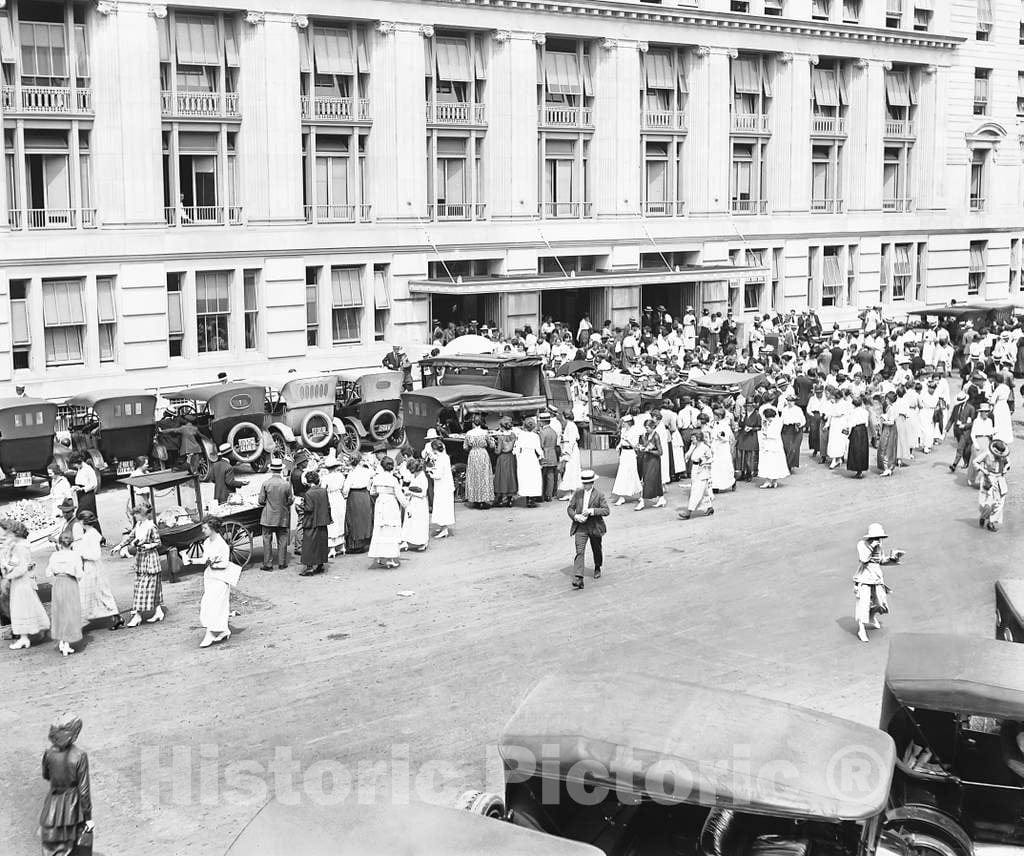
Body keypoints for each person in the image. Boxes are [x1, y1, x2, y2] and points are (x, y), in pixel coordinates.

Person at [39, 713, 93, 856]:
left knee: (50, 847)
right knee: (71, 848)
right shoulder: (80, 756)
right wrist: (88, 818)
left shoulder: (48, 753)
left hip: (51, 807)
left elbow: (46, 775)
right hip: (72, 809)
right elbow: (84, 791)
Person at [852, 522, 903, 643]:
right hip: (864, 578)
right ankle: (861, 629)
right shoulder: (862, 544)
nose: (878, 540)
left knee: (880, 602)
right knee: (863, 604)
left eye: (879, 537)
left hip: (877, 578)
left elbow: (880, 561)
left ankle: (871, 615)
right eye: (876, 537)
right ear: (870, 537)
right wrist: (871, 547)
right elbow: (863, 559)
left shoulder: (879, 546)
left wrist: (893, 558)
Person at [5, 520, 49, 649]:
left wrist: (9, 575)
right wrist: (7, 567)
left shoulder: (20, 547)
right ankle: (38, 630)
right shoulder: (18, 545)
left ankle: (24, 638)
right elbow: (14, 562)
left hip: (21, 581)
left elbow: (21, 568)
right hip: (21, 581)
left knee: (21, 607)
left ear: (14, 532)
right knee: (28, 605)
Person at [73, 511, 121, 630]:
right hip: (90, 566)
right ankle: (112, 615)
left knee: (96, 591)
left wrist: (81, 554)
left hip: (92, 566)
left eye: (80, 521)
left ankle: (82, 620)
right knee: (97, 592)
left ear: (84, 522)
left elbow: (95, 554)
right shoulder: (89, 533)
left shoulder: (92, 534)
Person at [197, 515, 239, 647]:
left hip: (220, 579)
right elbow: (204, 559)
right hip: (209, 577)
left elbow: (225, 564)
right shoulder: (206, 542)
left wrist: (213, 563)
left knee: (214, 605)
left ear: (212, 528)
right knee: (208, 603)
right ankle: (224, 631)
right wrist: (192, 560)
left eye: (205, 528)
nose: (203, 531)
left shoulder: (222, 545)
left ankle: (210, 634)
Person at [567, 469, 608, 590]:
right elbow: (570, 508)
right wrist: (575, 516)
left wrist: (592, 511)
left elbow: (606, 510)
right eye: (584, 483)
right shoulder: (578, 493)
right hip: (581, 526)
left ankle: (597, 566)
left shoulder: (599, 495)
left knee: (596, 548)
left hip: (594, 525)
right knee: (580, 551)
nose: (585, 485)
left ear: (592, 483)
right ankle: (579, 578)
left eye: (588, 483)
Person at [125, 504, 163, 627]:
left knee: (145, 586)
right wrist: (120, 546)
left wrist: (148, 545)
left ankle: (137, 615)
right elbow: (130, 537)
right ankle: (158, 611)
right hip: (141, 559)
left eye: (136, 514)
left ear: (142, 514)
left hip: (151, 559)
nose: (134, 516)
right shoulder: (138, 525)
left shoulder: (151, 526)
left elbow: (158, 542)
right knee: (142, 586)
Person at [45, 532, 82, 656]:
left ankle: (61, 640)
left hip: (58, 584)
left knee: (60, 612)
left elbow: (48, 572)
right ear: (71, 543)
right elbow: (80, 574)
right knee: (70, 612)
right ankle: (66, 643)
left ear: (60, 543)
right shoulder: (75, 555)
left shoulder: (54, 556)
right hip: (70, 583)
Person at [369, 457, 406, 568]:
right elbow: (399, 495)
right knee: (390, 530)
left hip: (380, 503)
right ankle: (390, 558)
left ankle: (379, 555)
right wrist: (407, 506)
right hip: (391, 504)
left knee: (380, 529)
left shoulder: (377, 478)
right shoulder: (393, 479)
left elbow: (372, 492)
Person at [257, 458, 293, 571]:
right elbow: (290, 500)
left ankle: (268, 564)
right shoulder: (286, 484)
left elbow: (261, 501)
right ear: (281, 470)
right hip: (282, 516)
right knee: (282, 539)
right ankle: (282, 563)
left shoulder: (266, 483)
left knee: (267, 540)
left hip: (268, 516)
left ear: (272, 470)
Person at [678, 429, 715, 520]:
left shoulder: (705, 447)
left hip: (702, 470)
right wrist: (691, 449)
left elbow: (711, 459)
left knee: (696, 491)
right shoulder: (693, 446)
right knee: (704, 491)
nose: (692, 440)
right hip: (694, 469)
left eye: (693, 438)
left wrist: (704, 462)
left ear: (698, 438)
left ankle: (689, 511)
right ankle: (709, 507)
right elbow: (686, 457)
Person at [299, 470, 331, 576]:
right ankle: (320, 563)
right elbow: (327, 505)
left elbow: (309, 508)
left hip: (311, 521)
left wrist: (301, 505)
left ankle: (309, 567)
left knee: (309, 544)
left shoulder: (308, 493)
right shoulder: (323, 491)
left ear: (308, 481)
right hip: (322, 520)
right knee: (321, 542)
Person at [343, 455, 375, 553]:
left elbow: (345, 489)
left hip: (354, 496)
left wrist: (344, 495)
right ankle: (366, 540)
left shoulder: (351, 474)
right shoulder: (366, 471)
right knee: (365, 518)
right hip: (365, 494)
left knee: (354, 520)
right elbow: (373, 474)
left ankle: (356, 544)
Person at [976, 439, 1010, 532]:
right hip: (989, 479)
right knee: (987, 502)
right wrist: (983, 470)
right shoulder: (987, 453)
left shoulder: (1004, 455)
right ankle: (984, 516)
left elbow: (1008, 463)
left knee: (999, 503)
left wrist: (1006, 468)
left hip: (1000, 479)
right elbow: (975, 462)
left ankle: (991, 522)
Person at [463, 416, 495, 509]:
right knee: (484, 476)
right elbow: (492, 445)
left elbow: (465, 447)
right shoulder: (485, 433)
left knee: (474, 475)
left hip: (473, 454)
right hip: (483, 453)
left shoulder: (469, 433)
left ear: (473, 423)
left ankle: (475, 499)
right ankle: (483, 499)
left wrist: (472, 448)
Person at [611, 415, 642, 505]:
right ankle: (621, 497)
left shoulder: (634, 430)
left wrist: (627, 440)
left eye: (624, 422)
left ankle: (640, 494)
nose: (622, 424)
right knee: (622, 474)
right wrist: (619, 445)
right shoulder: (623, 430)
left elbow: (635, 445)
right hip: (624, 453)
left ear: (628, 423)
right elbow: (621, 440)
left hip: (631, 453)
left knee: (632, 473)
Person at [635, 418, 666, 510]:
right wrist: (640, 447)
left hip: (654, 461)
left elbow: (660, 452)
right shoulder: (646, 435)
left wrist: (649, 450)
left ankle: (642, 501)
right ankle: (661, 498)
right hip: (647, 460)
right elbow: (644, 446)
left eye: (648, 427)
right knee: (653, 480)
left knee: (648, 480)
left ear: (653, 427)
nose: (646, 429)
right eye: (645, 427)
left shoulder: (656, 436)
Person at [427, 440, 455, 539]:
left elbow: (438, 475)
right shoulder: (445, 457)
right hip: (446, 485)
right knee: (445, 506)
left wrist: (430, 473)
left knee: (442, 506)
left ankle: (444, 528)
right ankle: (443, 526)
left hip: (442, 486)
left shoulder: (439, 459)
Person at [400, 459, 430, 551]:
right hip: (413, 502)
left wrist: (409, 492)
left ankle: (423, 542)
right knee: (410, 521)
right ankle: (406, 541)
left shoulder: (423, 478)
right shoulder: (415, 476)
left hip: (420, 503)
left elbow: (423, 494)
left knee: (419, 523)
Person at [320, 453, 347, 558]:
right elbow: (344, 489)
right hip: (339, 498)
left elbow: (323, 489)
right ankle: (342, 545)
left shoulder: (325, 478)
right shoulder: (341, 476)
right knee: (340, 520)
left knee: (332, 522)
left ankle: (332, 548)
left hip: (330, 498)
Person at [512, 418, 543, 508]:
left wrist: (517, 456)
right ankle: (531, 499)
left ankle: (527, 498)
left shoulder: (521, 435)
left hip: (523, 457)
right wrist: (541, 456)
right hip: (532, 457)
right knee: (533, 477)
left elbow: (517, 448)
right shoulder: (535, 436)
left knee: (525, 477)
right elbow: (538, 448)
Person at [71, 455, 102, 541]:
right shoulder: (80, 469)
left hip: (87, 494)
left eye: (75, 465)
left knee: (86, 514)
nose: (75, 467)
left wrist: (83, 489)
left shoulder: (88, 469)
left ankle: (98, 537)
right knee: (87, 515)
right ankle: (92, 536)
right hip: (80, 493)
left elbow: (94, 483)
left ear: (79, 462)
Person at [757, 406, 788, 489]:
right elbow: (763, 430)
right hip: (767, 445)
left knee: (774, 462)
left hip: (774, 445)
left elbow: (774, 434)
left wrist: (766, 433)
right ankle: (768, 480)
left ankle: (774, 480)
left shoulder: (778, 422)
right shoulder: (766, 422)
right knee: (767, 462)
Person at [491, 418, 518, 507]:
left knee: (501, 477)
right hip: (511, 457)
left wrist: (494, 447)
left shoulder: (501, 437)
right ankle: (510, 499)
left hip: (502, 457)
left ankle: (500, 498)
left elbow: (498, 451)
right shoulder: (513, 435)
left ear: (502, 427)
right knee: (510, 476)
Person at [557, 412, 583, 500]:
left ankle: (572, 493)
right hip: (572, 449)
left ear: (564, 417)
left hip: (571, 450)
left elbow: (571, 441)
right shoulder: (571, 425)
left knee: (572, 470)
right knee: (570, 470)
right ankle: (569, 493)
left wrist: (567, 452)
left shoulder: (571, 426)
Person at [845, 397, 871, 479]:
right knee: (862, 449)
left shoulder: (853, 412)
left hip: (856, 430)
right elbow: (866, 423)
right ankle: (861, 469)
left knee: (856, 450)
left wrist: (847, 432)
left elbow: (851, 423)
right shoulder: (865, 412)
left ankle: (857, 469)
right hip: (863, 430)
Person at [780, 394, 806, 472]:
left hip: (796, 430)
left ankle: (790, 465)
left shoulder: (798, 410)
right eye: (788, 401)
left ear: (794, 402)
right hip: (786, 429)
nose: (790, 402)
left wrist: (799, 424)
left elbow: (803, 420)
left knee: (794, 448)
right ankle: (786, 464)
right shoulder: (784, 409)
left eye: (791, 401)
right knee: (786, 447)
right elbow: (782, 420)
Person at [538, 413, 560, 502]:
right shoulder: (553, 431)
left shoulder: (543, 432)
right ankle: (549, 495)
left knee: (543, 475)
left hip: (545, 454)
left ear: (542, 422)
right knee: (550, 475)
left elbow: (541, 445)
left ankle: (542, 494)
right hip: (553, 454)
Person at [877, 392, 899, 477]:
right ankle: (888, 467)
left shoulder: (891, 409)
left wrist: (882, 421)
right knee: (889, 448)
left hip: (889, 429)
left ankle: (887, 467)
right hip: (891, 429)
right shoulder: (891, 407)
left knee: (885, 447)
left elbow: (891, 421)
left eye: (886, 399)